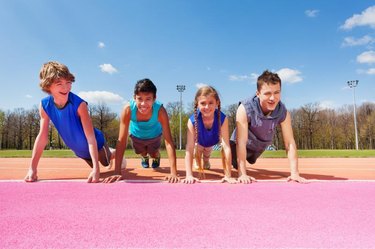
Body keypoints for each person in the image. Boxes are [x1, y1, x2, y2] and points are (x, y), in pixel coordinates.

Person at [24, 61, 114, 183]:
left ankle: (113, 153)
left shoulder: (79, 104)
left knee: (105, 162)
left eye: (68, 82)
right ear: (47, 86)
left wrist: (97, 170)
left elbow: (90, 137)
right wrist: (32, 168)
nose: (65, 87)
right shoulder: (45, 105)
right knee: (93, 165)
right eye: (59, 83)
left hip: (95, 143)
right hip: (79, 149)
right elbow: (42, 137)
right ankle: (102, 158)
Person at [230, 70, 307, 184]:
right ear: (258, 93)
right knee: (233, 162)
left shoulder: (283, 112)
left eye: (277, 92)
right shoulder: (245, 108)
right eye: (267, 93)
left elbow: (289, 142)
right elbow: (241, 141)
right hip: (239, 144)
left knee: (250, 161)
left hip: (259, 144)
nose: (272, 98)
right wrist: (242, 174)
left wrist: (295, 173)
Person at [103, 78, 179, 183]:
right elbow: (121, 140)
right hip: (136, 135)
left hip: (154, 135)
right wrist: (117, 172)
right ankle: (144, 157)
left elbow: (169, 141)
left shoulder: (160, 111)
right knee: (142, 152)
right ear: (134, 98)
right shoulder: (128, 110)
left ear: (154, 99)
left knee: (153, 153)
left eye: (148, 99)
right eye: (140, 99)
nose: (143, 104)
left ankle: (156, 156)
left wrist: (173, 173)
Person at [182, 85, 237, 184]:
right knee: (197, 150)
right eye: (203, 103)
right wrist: (189, 175)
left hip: (212, 141)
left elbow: (226, 146)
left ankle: (206, 160)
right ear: (197, 104)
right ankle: (198, 159)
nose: (207, 107)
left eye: (211, 103)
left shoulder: (223, 119)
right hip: (199, 142)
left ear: (217, 103)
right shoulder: (192, 121)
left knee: (207, 154)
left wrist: (228, 175)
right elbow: (189, 147)